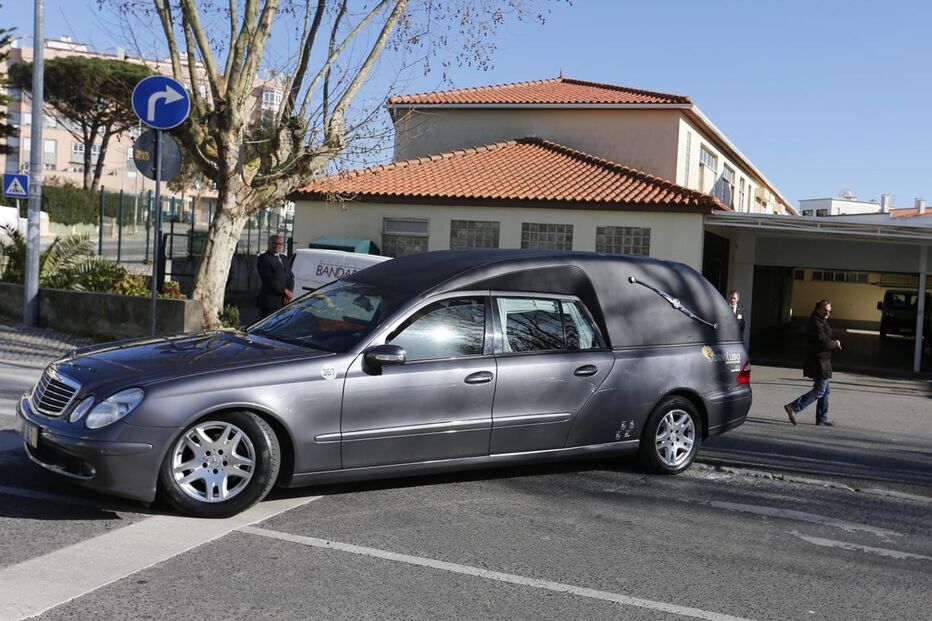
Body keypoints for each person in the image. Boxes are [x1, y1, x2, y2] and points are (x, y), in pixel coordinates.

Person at [784, 299, 841, 426]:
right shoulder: (815, 323)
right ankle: (794, 407)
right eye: (825, 310)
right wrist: (835, 343)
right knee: (820, 390)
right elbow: (823, 343)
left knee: (825, 390)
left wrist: (833, 345)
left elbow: (825, 341)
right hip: (818, 361)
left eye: (829, 311)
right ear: (817, 309)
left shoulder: (821, 321)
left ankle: (822, 418)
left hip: (823, 360)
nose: (827, 313)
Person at [256, 234, 294, 318]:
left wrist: (290, 291)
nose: (277, 246)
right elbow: (268, 280)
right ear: (268, 243)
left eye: (280, 244)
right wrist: (285, 291)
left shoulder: (284, 258)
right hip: (270, 303)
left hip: (284, 301)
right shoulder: (264, 258)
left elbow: (291, 276)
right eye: (275, 243)